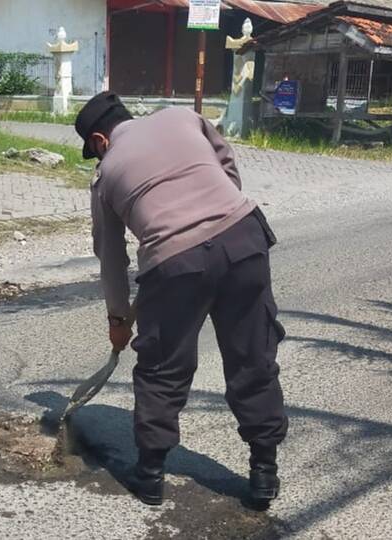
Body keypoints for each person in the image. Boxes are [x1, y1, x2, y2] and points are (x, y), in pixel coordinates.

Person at [75, 92, 288, 506]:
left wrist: (118, 320)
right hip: (243, 236)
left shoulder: (106, 175)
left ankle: (150, 476)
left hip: (173, 263)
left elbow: (111, 258)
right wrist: (214, 218)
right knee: (253, 355)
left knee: (162, 367)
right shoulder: (182, 117)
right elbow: (227, 164)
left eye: (95, 150)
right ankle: (264, 472)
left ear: (100, 141)